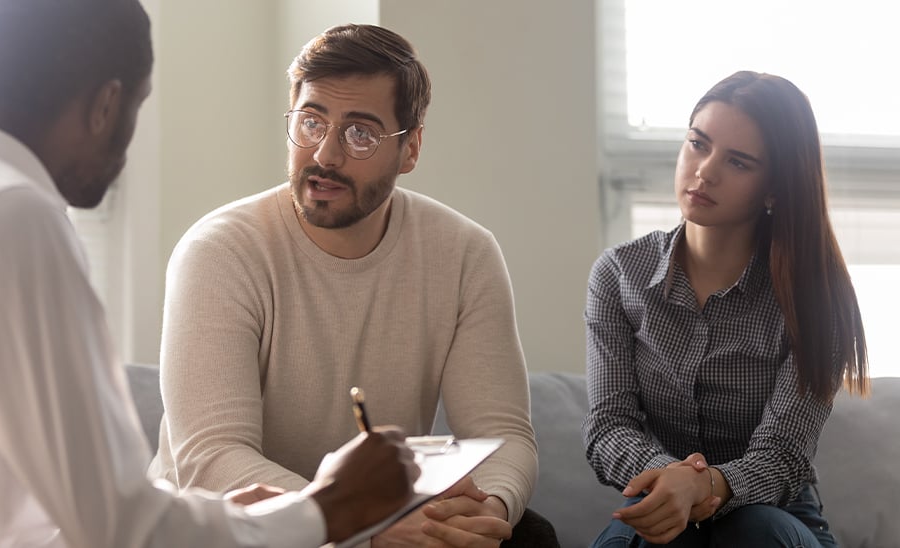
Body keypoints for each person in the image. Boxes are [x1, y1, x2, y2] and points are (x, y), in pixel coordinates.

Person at [0, 2, 420, 547]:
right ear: (107, 104)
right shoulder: (8, 221)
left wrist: (240, 522)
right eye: (138, 106)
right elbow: (121, 529)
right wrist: (330, 507)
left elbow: (18, 520)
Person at [148, 23, 539, 547]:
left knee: (531, 534)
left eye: (360, 133)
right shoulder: (219, 251)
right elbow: (212, 458)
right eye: (311, 123)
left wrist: (487, 510)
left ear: (410, 149)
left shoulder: (465, 254)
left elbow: (503, 437)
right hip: (235, 532)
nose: (325, 154)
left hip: (380, 520)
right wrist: (362, 524)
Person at [582, 71, 869, 548]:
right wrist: (674, 481)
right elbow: (609, 427)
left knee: (756, 531)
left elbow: (782, 456)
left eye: (738, 162)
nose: (705, 171)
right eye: (698, 143)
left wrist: (704, 486)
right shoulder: (618, 275)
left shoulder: (817, 293)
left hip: (777, 515)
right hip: (661, 502)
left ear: (775, 188)